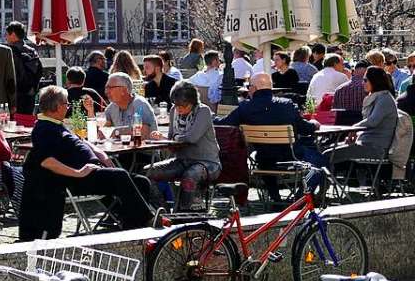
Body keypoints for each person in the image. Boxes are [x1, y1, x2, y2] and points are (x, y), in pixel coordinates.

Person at [19, 86, 164, 239]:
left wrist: (102, 155)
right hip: (78, 178)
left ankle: (133, 226)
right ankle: (148, 219)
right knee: (120, 176)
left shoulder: (56, 124)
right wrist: (78, 172)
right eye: (66, 104)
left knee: (142, 181)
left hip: (91, 170)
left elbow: (81, 142)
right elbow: (47, 161)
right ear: (57, 106)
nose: (67, 107)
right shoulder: (43, 128)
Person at [215, 73, 322, 201]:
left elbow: (224, 123)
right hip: (290, 156)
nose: (248, 89)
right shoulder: (286, 105)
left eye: (249, 87)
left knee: (266, 158)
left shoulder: (245, 107)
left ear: (254, 88)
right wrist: (314, 125)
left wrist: (209, 117)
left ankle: (275, 198)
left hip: (263, 158)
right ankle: (301, 198)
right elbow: (305, 129)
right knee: (322, 163)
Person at [145, 82, 221, 211]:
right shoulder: (174, 110)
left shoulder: (203, 111)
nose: (179, 109)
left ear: (193, 102)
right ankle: (162, 211)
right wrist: (163, 140)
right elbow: (171, 138)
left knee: (190, 175)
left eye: (183, 106)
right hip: (182, 160)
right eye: (176, 105)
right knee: (148, 172)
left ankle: (182, 213)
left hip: (207, 162)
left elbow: (192, 137)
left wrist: (174, 139)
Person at [328, 66, 399, 167]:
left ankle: (324, 181)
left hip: (376, 148)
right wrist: (357, 133)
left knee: (329, 154)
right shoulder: (377, 97)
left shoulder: (385, 98)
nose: (362, 83)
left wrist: (354, 129)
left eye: (365, 80)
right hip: (366, 142)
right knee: (327, 149)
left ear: (375, 81)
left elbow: (372, 121)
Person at [91, 73, 157, 135]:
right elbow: (104, 131)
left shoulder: (139, 104)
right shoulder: (111, 108)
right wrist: (90, 110)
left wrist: (117, 132)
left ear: (124, 90)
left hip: (147, 146)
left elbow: (144, 133)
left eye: (110, 88)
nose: (106, 91)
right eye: (106, 88)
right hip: (123, 146)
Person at [5, 21, 43, 115]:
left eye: (7, 35)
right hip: (30, 97)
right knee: (26, 125)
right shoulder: (32, 52)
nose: (6, 37)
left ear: (13, 35)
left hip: (15, 98)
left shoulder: (8, 52)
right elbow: (39, 72)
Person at [334, 60, 369, 126]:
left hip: (342, 129)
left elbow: (334, 111)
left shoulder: (339, 89)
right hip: (362, 128)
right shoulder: (368, 89)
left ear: (354, 71)